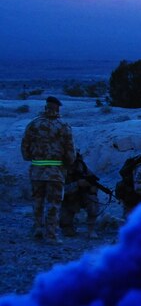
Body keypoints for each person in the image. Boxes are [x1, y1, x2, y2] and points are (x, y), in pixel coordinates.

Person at [20, 96, 76, 243]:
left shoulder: (33, 124)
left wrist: (32, 157)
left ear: (46, 107)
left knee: (37, 200)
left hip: (36, 171)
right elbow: (70, 152)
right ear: (57, 108)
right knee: (53, 203)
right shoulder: (63, 126)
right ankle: (51, 235)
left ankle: (38, 229)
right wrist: (69, 163)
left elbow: (25, 148)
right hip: (55, 172)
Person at [60, 151, 101, 238]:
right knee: (67, 231)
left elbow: (93, 181)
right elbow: (57, 191)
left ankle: (91, 229)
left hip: (82, 196)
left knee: (92, 201)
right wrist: (76, 184)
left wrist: (92, 189)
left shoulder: (81, 166)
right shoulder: (59, 169)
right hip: (67, 200)